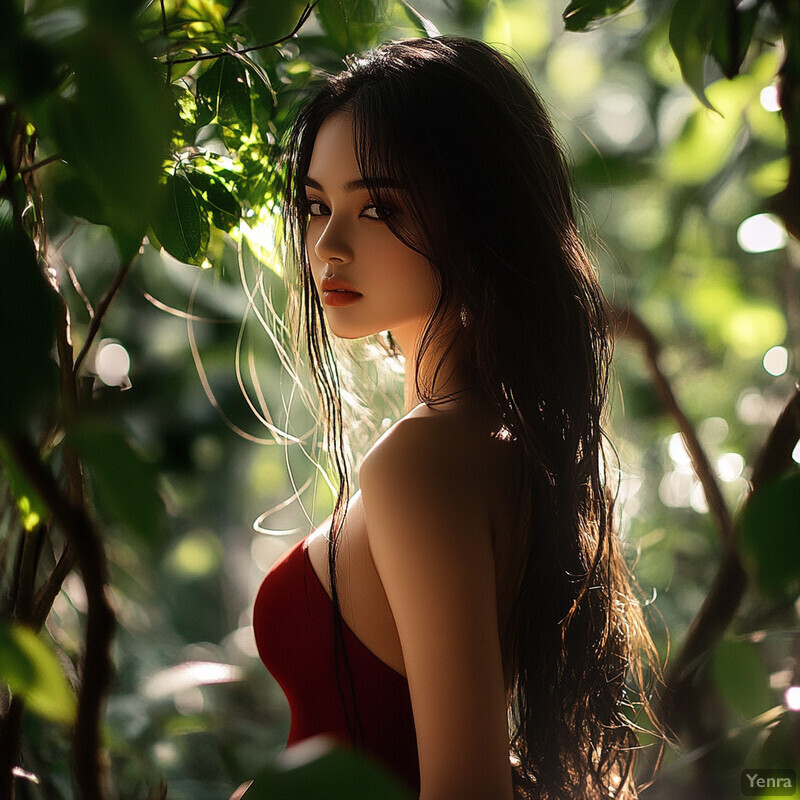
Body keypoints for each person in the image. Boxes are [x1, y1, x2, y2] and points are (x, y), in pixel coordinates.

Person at [252, 35, 658, 800]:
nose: (327, 245)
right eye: (316, 206)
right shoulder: (504, 440)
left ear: (477, 216)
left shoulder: (424, 459)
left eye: (378, 207)